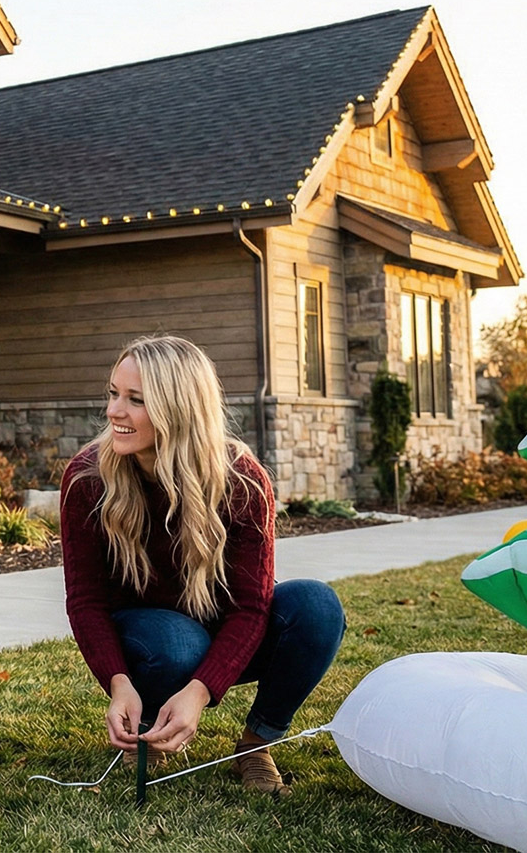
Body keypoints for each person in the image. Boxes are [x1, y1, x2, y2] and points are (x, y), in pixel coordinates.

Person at [59, 335, 345, 796]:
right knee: (177, 641)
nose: (114, 411)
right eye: (114, 393)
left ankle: (254, 746)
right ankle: (147, 717)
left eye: (136, 400)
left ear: (178, 408)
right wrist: (117, 682)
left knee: (317, 605)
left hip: (223, 626)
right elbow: (87, 601)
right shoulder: (88, 477)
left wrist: (200, 691)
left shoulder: (242, 479)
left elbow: (252, 607)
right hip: (150, 636)